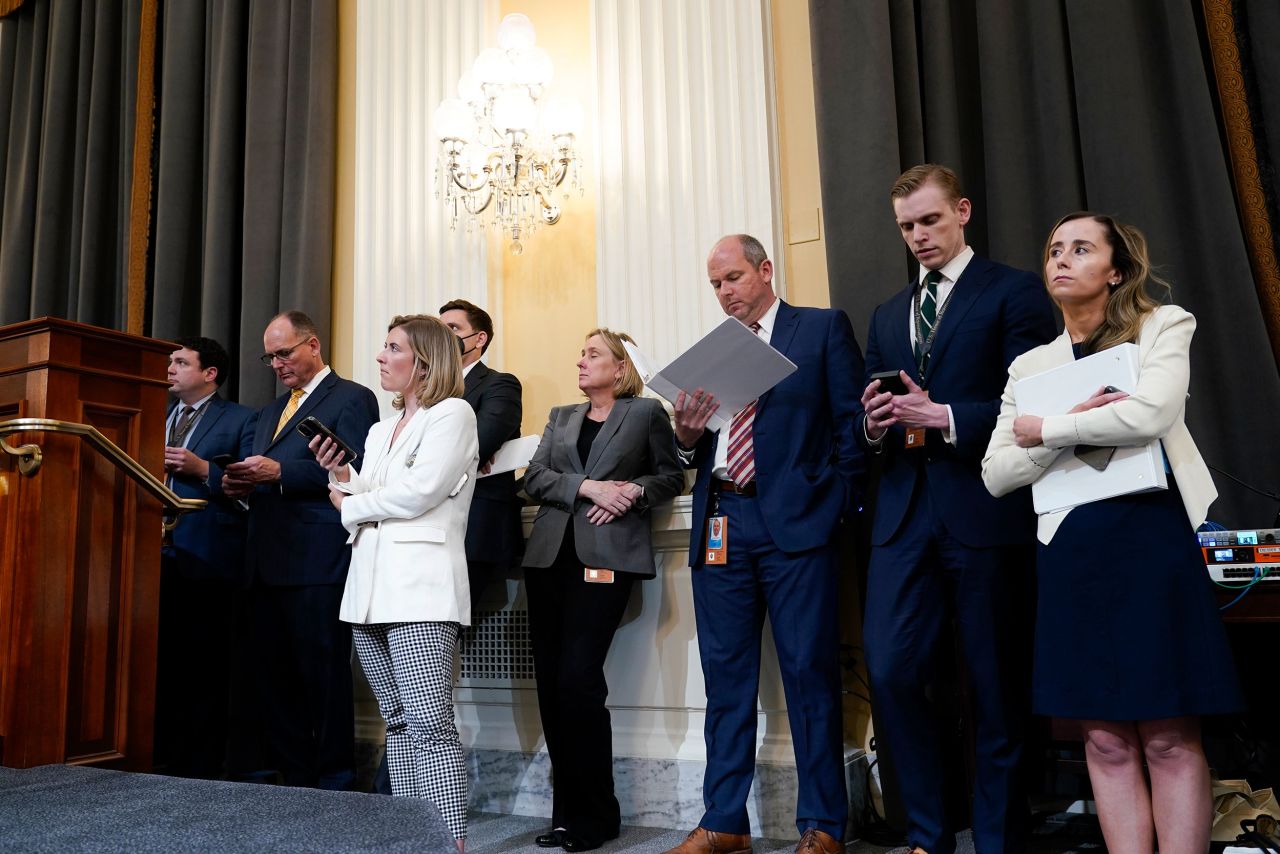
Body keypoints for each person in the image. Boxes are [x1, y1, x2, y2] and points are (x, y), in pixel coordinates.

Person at [982, 212, 1243, 854]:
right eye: (1053, 250)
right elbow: (996, 472)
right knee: (1102, 736)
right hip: (1072, 549)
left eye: (1080, 248)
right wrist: (1067, 423)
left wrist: (1049, 430)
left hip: (1151, 540)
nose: (1061, 259)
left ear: (1116, 270)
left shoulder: (1162, 325)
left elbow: (1153, 412)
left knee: (1167, 733)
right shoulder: (1030, 366)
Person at [857, 164, 1057, 854]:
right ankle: (927, 834)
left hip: (984, 506)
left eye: (930, 220)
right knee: (889, 670)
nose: (918, 235)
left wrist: (941, 413)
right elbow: (875, 412)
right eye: (907, 226)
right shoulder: (886, 314)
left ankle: (999, 839)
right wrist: (876, 422)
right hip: (902, 516)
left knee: (995, 686)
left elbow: (1032, 403)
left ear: (962, 211)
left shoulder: (1015, 292)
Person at [668, 235, 865, 854]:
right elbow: (698, 449)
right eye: (715, 285)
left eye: (732, 279)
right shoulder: (715, 353)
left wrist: (831, 508)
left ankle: (822, 827)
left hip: (797, 529)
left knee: (810, 676)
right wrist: (684, 434)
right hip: (723, 523)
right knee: (725, 682)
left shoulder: (820, 329)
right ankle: (724, 822)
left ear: (764, 270)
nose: (725, 293)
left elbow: (851, 430)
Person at [311, 314, 478, 848]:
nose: (380, 357)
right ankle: (413, 835)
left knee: (429, 724)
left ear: (424, 361)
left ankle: (449, 840)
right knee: (398, 724)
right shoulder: (382, 428)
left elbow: (420, 492)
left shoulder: (454, 414)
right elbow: (372, 493)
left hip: (422, 589)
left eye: (392, 348)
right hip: (368, 592)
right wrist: (341, 475)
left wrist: (353, 503)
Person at [521, 328, 684, 852]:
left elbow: (670, 478)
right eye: (581, 353)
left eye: (593, 354)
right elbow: (534, 479)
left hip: (607, 559)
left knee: (578, 681)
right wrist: (586, 486)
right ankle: (567, 814)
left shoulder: (645, 415)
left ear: (621, 367)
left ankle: (598, 815)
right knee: (551, 684)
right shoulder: (561, 416)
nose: (581, 361)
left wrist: (634, 490)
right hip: (548, 558)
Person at [222, 310, 380, 789]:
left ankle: (334, 777)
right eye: (270, 357)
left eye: (284, 353)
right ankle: (295, 775)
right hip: (265, 559)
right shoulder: (269, 411)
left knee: (323, 677)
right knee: (274, 679)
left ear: (313, 345)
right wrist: (238, 483)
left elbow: (357, 470)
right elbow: (259, 471)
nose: (276, 364)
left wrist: (281, 473)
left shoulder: (352, 397)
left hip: (317, 558)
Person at [155, 336, 256, 778]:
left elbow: (250, 492)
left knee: (205, 668)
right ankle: (160, 755)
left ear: (209, 373)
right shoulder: (154, 415)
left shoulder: (241, 419)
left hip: (210, 560)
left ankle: (202, 766)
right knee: (162, 665)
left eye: (180, 362)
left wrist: (204, 471)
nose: (170, 369)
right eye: (170, 362)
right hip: (152, 559)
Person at [440, 299, 524, 610]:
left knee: (449, 622)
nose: (445, 336)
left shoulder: (499, 384)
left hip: (476, 524)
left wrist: (467, 453)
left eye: (454, 328)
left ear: (479, 339)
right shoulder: (426, 390)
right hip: (431, 522)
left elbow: (477, 444)